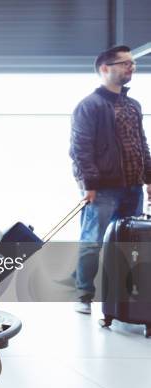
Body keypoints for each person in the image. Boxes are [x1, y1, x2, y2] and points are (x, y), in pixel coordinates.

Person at [70, 45, 151, 314]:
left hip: (133, 188)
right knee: (92, 241)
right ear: (105, 68)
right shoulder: (89, 106)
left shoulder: (133, 105)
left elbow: (141, 144)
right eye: (125, 63)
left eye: (132, 64)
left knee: (129, 245)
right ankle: (83, 293)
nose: (132, 67)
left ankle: (123, 298)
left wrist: (149, 178)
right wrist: (89, 185)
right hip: (103, 190)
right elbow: (80, 148)